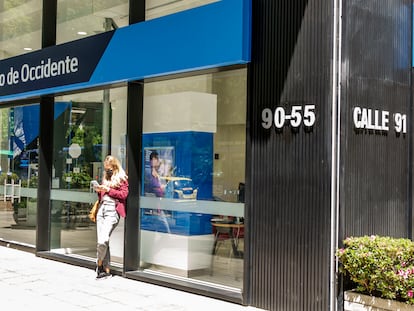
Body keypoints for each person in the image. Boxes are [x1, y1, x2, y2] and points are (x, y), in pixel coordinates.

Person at [94, 155, 128, 279]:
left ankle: (98, 264)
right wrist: (99, 190)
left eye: (109, 169)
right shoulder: (105, 177)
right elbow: (103, 195)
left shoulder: (122, 178)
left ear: (115, 167)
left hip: (112, 211)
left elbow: (124, 195)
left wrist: (108, 189)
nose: (107, 171)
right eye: (106, 169)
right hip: (101, 210)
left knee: (102, 240)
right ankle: (105, 269)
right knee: (104, 240)